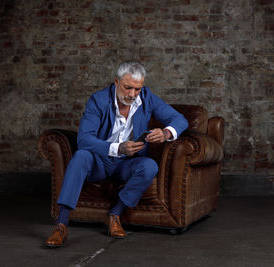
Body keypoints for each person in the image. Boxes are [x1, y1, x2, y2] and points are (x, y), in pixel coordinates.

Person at [43, 61, 188, 248]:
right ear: (116, 82)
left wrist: (166, 133)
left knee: (150, 166)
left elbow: (180, 119)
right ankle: (61, 225)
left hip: (127, 164)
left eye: (137, 89)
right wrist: (118, 148)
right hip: (100, 161)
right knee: (81, 156)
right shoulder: (98, 100)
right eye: (128, 88)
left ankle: (115, 215)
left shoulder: (147, 97)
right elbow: (84, 140)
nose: (132, 94)